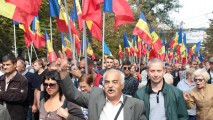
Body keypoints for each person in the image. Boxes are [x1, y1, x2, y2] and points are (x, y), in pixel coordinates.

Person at [57, 51, 147, 120]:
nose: (110, 85)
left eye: (115, 82)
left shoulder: (136, 105)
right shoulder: (94, 97)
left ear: (122, 85)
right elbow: (72, 95)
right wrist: (64, 71)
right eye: (107, 82)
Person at [0, 54, 28, 120]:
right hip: (2, 116)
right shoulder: (1, 79)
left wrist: (1, 93)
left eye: (7, 64)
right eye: (3, 65)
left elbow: (19, 97)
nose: (5, 67)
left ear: (15, 64)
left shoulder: (22, 80)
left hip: (15, 116)